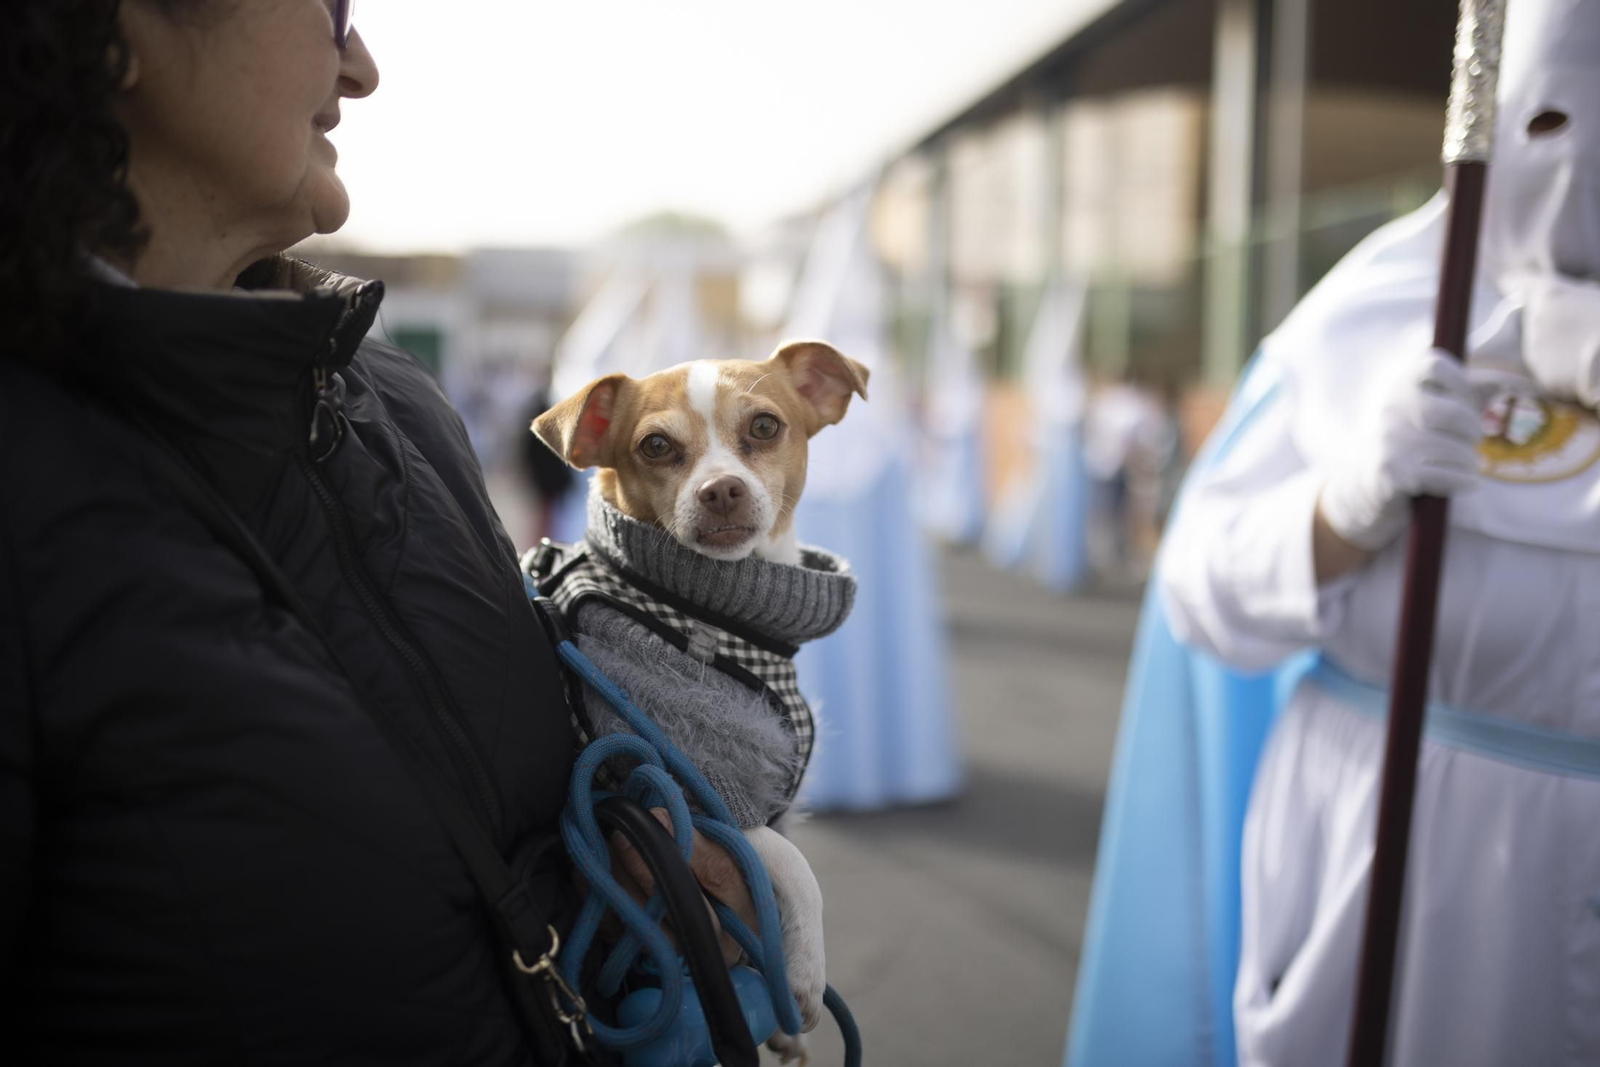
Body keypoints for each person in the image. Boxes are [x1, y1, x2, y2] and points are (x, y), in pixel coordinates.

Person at [0, 3, 751, 1062]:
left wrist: (632, 850)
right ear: (114, 30)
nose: (361, 67)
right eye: (330, 7)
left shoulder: (390, 395)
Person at [1068, 1, 1600, 1064]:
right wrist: (1344, 505)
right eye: (1551, 122)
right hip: (1388, 846)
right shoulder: (1377, 309)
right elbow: (1199, 588)